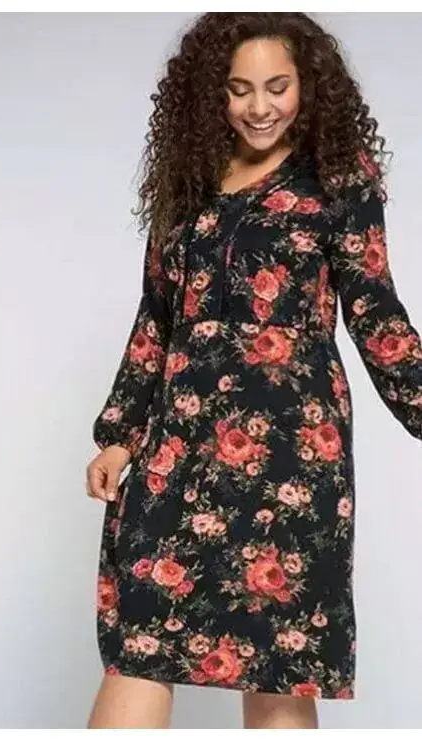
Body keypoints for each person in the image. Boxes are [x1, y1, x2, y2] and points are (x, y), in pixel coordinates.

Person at [84, 12, 422, 729]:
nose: (259, 107)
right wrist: (119, 433)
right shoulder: (189, 181)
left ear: (308, 86)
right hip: (178, 447)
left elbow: (375, 312)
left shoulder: (338, 181)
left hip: (289, 454)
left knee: (280, 655)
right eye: (240, 89)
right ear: (214, 92)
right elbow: (157, 318)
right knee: (141, 642)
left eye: (277, 86)